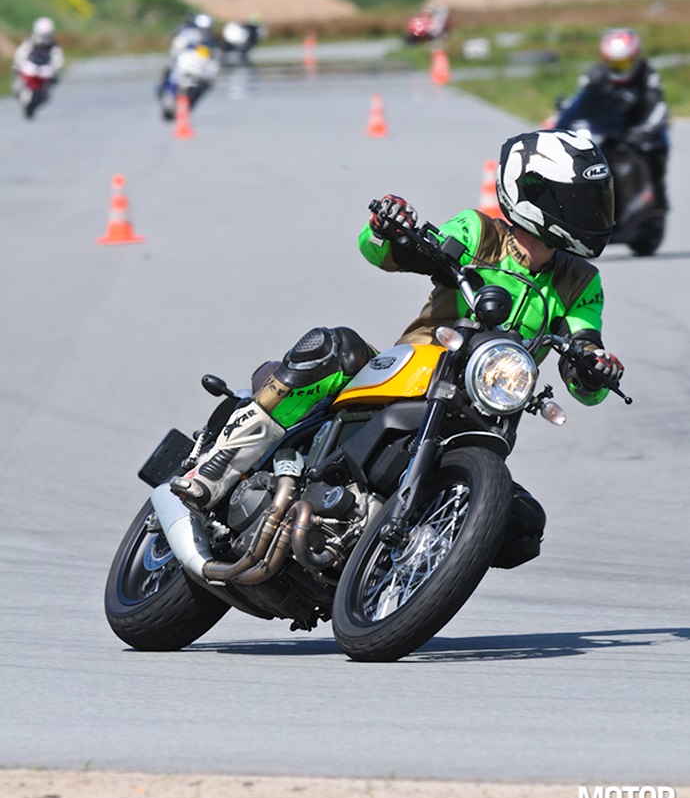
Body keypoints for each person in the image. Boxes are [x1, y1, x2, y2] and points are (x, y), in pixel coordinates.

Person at [170, 129, 624, 566]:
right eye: (583, 201)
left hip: (489, 403)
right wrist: (392, 228)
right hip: (419, 368)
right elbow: (385, 253)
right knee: (336, 348)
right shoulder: (478, 232)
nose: (593, 214)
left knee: (520, 523)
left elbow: (584, 363)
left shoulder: (581, 281)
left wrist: (596, 367)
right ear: (535, 193)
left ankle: (404, 564)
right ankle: (215, 468)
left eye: (596, 203)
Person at [574, 28, 670, 209]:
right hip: (607, 128)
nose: (619, 70)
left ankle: (658, 202)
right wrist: (566, 112)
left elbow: (659, 107)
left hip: (640, 130)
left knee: (655, 152)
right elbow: (580, 99)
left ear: (635, 59)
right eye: (614, 64)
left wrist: (646, 130)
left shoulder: (648, 76)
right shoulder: (594, 75)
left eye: (624, 64)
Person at [11, 17, 64, 92]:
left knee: (53, 79)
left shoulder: (52, 44)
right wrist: (18, 63)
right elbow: (22, 52)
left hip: (45, 67)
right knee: (17, 72)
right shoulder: (30, 40)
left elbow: (57, 57)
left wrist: (56, 69)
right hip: (30, 64)